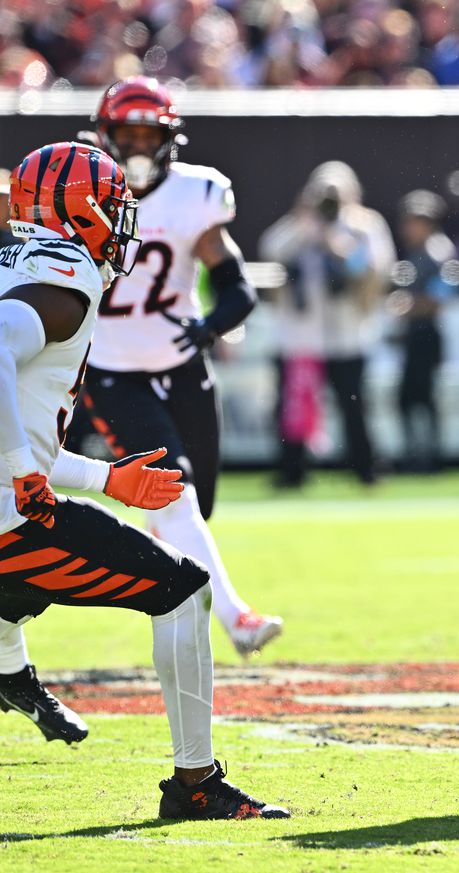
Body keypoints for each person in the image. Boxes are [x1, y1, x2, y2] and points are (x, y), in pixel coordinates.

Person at [0, 141, 287, 819]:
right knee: (184, 590)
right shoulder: (66, 272)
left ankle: (11, 665)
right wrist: (23, 474)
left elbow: (23, 433)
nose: (124, 222)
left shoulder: (19, 261)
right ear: (82, 213)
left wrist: (104, 478)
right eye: (114, 208)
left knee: (18, 590)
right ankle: (196, 784)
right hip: (8, 521)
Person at [71, 76, 282, 659]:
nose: (137, 147)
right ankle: (237, 619)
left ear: (170, 139)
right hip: (112, 371)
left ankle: (139, 573)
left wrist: (210, 326)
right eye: (126, 133)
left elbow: (237, 286)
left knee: (194, 511)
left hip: (184, 365)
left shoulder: (198, 194)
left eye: (149, 134)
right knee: (178, 496)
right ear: (104, 136)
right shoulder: (81, 187)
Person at [260, 161, 396, 488]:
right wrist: (305, 226)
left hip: (346, 335)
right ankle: (292, 469)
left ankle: (364, 467)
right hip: (301, 338)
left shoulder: (364, 225)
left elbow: (377, 266)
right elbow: (270, 250)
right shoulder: (298, 226)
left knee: (354, 406)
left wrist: (338, 242)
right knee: (294, 407)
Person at [391, 189, 455, 472]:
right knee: (409, 398)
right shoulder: (420, 253)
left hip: (427, 335)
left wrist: (408, 305)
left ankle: (428, 456)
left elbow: (443, 295)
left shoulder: (437, 252)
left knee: (422, 397)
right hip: (416, 335)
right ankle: (418, 454)